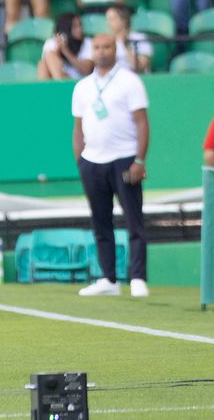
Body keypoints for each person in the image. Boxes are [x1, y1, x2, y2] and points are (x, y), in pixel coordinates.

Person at [72, 33, 150, 297]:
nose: (102, 51)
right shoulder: (82, 86)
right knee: (101, 221)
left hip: (125, 158)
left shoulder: (130, 81)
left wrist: (140, 159)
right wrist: (80, 160)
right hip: (93, 161)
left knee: (133, 218)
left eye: (107, 47)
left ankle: (138, 277)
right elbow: (78, 127)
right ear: (91, 51)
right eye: (97, 47)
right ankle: (109, 279)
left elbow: (141, 122)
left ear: (115, 49)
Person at [37, 12, 93, 79]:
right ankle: (59, 85)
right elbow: (50, 62)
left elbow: (86, 70)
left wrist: (65, 50)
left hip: (79, 80)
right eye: (75, 27)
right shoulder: (52, 42)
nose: (79, 30)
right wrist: (58, 49)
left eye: (80, 25)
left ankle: (60, 85)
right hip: (60, 76)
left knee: (47, 58)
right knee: (42, 64)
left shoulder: (88, 42)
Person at [105, 5, 151, 73]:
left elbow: (140, 67)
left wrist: (124, 44)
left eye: (112, 19)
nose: (108, 23)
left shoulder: (140, 38)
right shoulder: (107, 41)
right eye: (108, 19)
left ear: (123, 21)